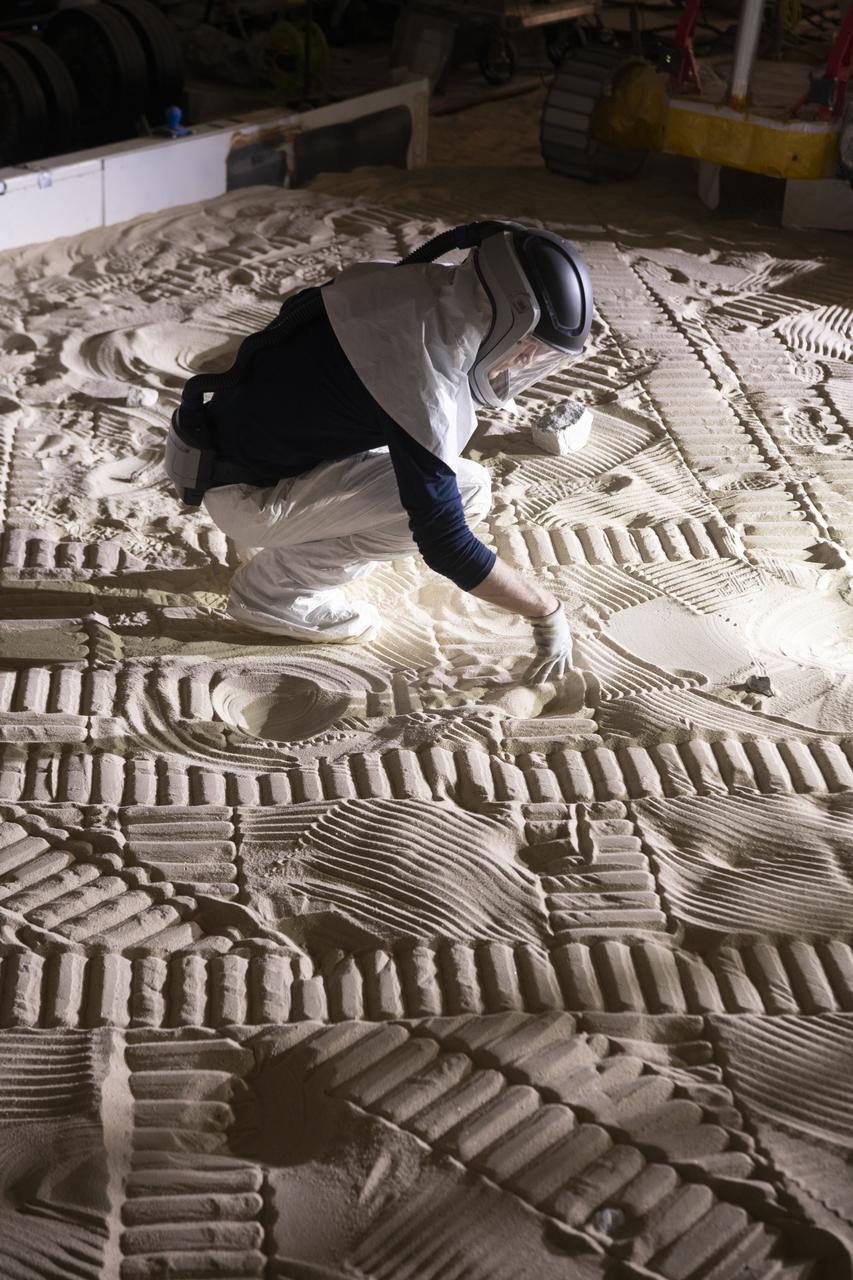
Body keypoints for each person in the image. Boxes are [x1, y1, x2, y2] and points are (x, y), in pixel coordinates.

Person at [165, 220, 593, 683]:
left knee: (434, 475)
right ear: (511, 316)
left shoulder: (402, 283)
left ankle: (292, 539)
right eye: (528, 345)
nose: (526, 360)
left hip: (224, 452)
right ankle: (276, 594)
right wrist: (544, 611)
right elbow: (446, 544)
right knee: (468, 490)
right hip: (247, 496)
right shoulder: (424, 374)